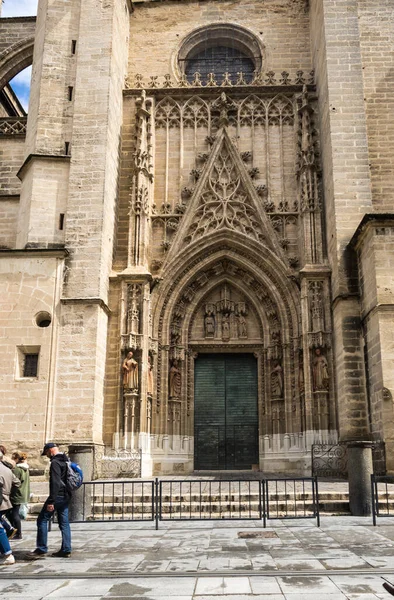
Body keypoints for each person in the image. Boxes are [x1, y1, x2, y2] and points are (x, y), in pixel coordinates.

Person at [31, 443, 72, 558]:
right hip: (66, 495)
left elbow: (55, 482)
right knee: (64, 523)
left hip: (57, 496)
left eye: (47, 454)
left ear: (50, 451)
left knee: (42, 520)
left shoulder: (55, 462)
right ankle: (66, 549)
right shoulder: (66, 460)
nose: (47, 456)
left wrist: (51, 501)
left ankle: (41, 548)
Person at [0, 448, 20, 540]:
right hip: (6, 499)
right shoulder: (8, 470)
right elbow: (17, 483)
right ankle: (9, 529)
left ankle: (9, 529)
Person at [10, 452, 30, 540]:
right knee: (13, 513)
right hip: (23, 493)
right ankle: (15, 531)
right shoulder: (26, 468)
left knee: (14, 514)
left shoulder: (17, 469)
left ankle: (18, 533)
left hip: (16, 494)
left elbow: (15, 481)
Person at [0, 452, 16, 566]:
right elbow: (17, 482)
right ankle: (8, 527)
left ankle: (7, 554)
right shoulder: (7, 469)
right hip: (5, 501)